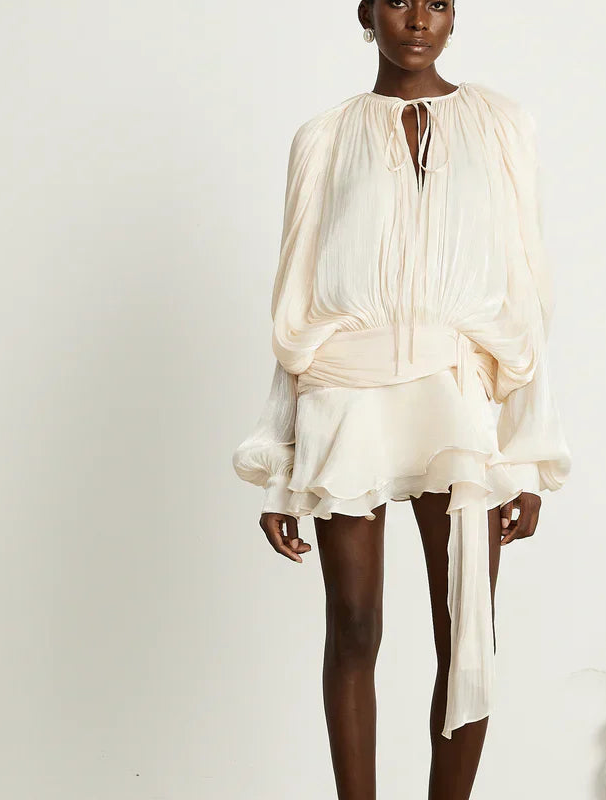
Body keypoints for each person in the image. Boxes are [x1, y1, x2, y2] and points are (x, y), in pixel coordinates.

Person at [232, 1, 572, 797]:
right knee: (354, 625)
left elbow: (527, 293)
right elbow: (296, 302)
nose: (417, 19)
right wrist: (280, 463)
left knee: (467, 632)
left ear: (455, 18)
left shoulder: (503, 126)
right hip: (345, 395)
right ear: (366, 12)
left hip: (456, 393)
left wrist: (524, 453)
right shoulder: (323, 137)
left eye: (438, 2)